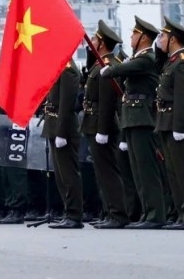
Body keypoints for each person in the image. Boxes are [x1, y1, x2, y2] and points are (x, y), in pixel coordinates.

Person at [104, 16, 166, 229]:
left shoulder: (147, 58)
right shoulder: (138, 58)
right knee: (138, 170)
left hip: (143, 119)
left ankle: (156, 215)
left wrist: (109, 69)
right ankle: (147, 212)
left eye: (134, 34)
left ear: (144, 37)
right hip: (132, 118)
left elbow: (124, 69)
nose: (131, 37)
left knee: (147, 170)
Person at [154, 17, 184, 230]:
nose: (160, 40)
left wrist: (178, 127)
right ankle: (182, 214)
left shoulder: (182, 62)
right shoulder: (171, 61)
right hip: (166, 123)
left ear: (173, 38)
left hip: (177, 125)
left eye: (163, 36)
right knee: (173, 172)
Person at [82, 21, 129, 229]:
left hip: (102, 126)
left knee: (108, 171)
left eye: (94, 39)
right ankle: (109, 211)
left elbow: (107, 100)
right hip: (93, 124)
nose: (91, 42)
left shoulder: (107, 65)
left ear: (101, 43)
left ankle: (118, 213)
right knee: (102, 171)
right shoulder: (98, 64)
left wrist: (102, 129)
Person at [44, 58, 84, 229]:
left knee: (68, 174)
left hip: (64, 128)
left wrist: (61, 133)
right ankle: (68, 211)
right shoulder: (59, 67)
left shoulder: (69, 69)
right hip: (54, 124)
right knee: (60, 175)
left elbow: (67, 105)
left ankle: (74, 215)